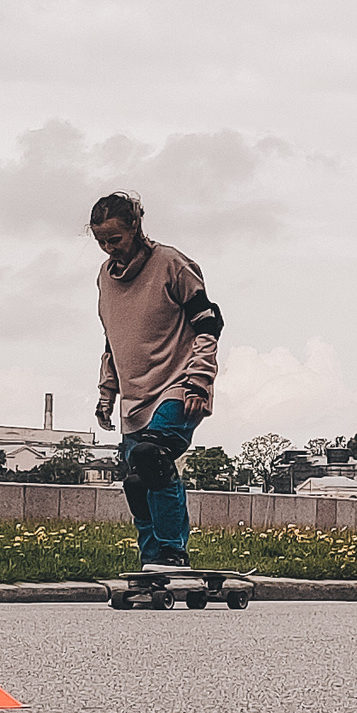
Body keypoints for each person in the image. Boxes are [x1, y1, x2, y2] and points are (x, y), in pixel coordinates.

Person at [89, 190, 222, 579]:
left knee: (152, 457)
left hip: (179, 385)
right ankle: (152, 562)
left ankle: (172, 553)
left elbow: (209, 323)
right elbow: (113, 341)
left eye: (115, 239)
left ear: (135, 226)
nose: (109, 249)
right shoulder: (105, 278)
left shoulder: (172, 265)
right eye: (101, 241)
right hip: (134, 398)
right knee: (135, 481)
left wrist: (199, 380)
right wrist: (106, 393)